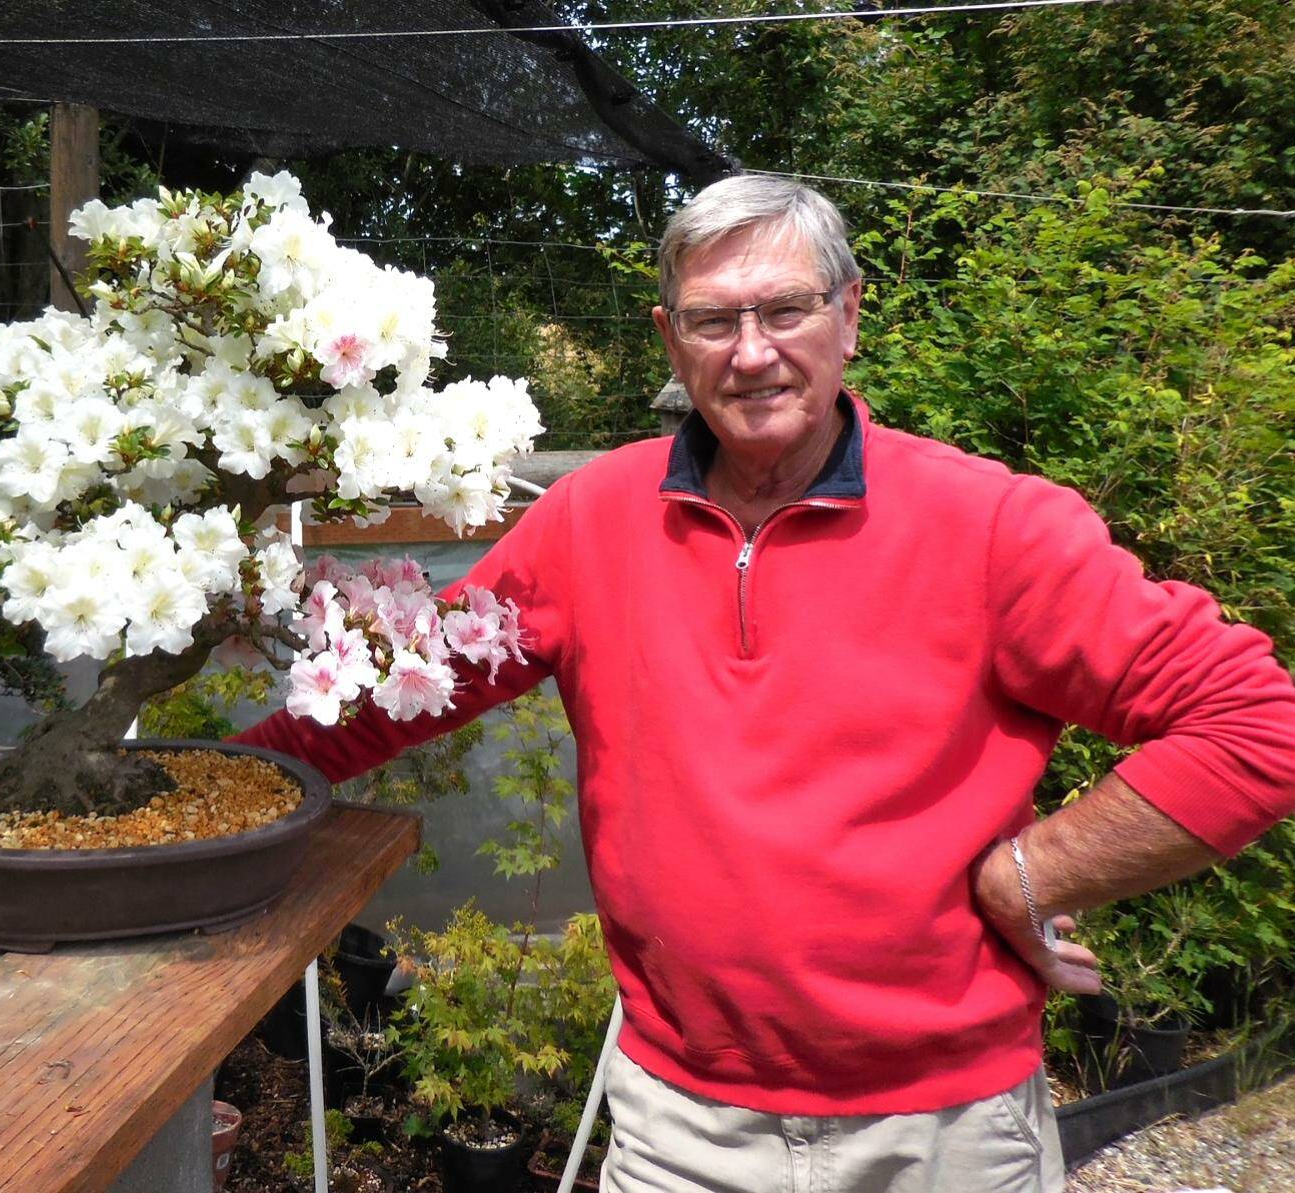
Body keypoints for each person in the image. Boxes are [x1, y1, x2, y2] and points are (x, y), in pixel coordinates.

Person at [235, 174, 1295, 1192]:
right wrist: (208, 790)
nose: (752, 354)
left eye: (785, 309)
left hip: (946, 1133)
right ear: (668, 338)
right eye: (712, 320)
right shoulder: (590, 519)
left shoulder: (991, 527)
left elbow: (1256, 727)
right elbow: (393, 688)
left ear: (849, 316)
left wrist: (1028, 873)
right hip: (682, 1128)